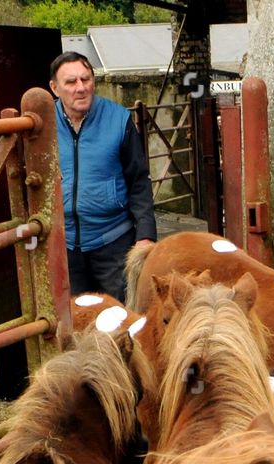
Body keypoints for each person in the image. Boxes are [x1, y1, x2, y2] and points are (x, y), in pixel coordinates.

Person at [49, 52, 157, 301]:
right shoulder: (42, 124)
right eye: (71, 82)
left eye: (86, 79)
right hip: (64, 245)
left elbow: (139, 180)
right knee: (76, 319)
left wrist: (145, 236)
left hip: (114, 240)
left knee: (123, 317)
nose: (81, 88)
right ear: (54, 88)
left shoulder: (118, 119)